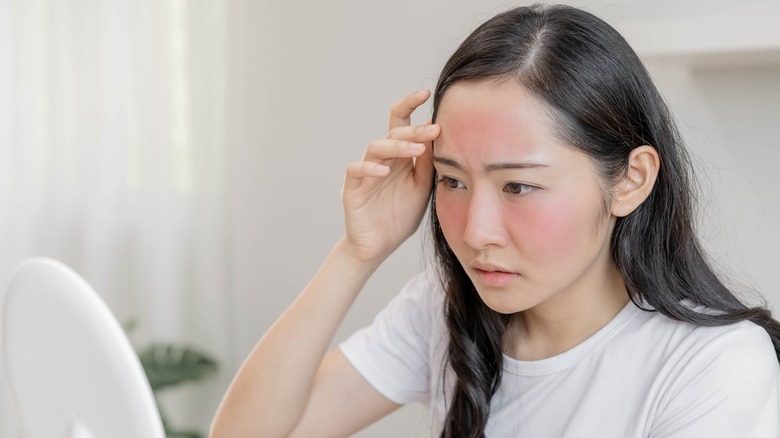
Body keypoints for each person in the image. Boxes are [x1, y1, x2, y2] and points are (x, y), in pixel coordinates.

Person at [211, 4, 780, 437]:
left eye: (519, 186)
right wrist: (357, 253)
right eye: (452, 180)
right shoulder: (442, 308)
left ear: (630, 180)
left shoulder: (713, 364)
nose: (477, 230)